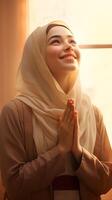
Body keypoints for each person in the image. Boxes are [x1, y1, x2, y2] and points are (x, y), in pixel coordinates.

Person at [0, 20, 112, 200]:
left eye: (72, 41)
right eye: (55, 41)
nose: (68, 46)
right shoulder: (15, 112)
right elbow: (15, 185)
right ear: (37, 57)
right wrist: (60, 150)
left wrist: (77, 151)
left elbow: (106, 181)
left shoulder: (92, 113)